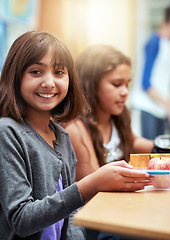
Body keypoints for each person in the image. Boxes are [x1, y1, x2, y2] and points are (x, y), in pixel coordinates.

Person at [0, 31, 152, 240]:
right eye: (36, 72)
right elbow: (22, 220)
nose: (49, 82)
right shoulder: (7, 132)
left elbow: (70, 215)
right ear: (15, 77)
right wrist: (91, 184)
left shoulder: (61, 137)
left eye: (59, 72)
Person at [63, 44, 154, 181]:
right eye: (117, 84)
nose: (125, 92)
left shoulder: (118, 116)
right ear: (90, 85)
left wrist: (163, 145)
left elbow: (133, 142)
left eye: (127, 84)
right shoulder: (76, 129)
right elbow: (95, 186)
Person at [130, 6, 170, 139]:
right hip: (147, 107)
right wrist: (167, 104)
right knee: (151, 153)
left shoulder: (166, 44)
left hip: (160, 108)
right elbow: (145, 82)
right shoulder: (154, 43)